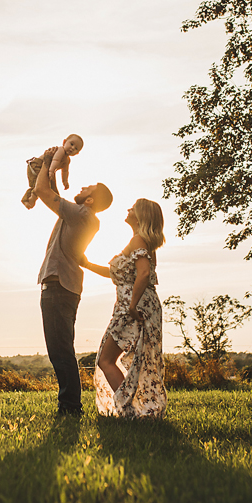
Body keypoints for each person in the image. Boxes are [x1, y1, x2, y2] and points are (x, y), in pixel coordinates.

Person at [33, 146, 113, 415]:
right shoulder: (80, 215)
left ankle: (70, 407)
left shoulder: (80, 214)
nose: (83, 187)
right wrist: (50, 167)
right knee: (61, 349)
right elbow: (51, 193)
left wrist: (47, 162)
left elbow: (43, 193)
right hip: (63, 286)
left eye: (88, 188)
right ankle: (69, 405)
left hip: (59, 286)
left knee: (60, 351)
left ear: (89, 201)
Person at [81, 198, 167, 418]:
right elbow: (119, 274)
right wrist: (87, 264)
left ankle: (129, 412)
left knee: (105, 359)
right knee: (124, 358)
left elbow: (144, 274)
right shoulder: (140, 242)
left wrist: (131, 306)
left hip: (133, 306)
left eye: (133, 207)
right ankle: (132, 410)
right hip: (138, 304)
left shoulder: (139, 240)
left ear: (141, 215)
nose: (128, 209)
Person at [22, 134, 84, 209]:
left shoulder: (67, 160)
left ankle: (56, 205)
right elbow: (55, 160)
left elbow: (65, 171)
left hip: (48, 170)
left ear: (77, 153)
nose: (72, 148)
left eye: (76, 148)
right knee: (39, 184)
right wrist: (51, 172)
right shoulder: (60, 150)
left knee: (52, 190)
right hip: (37, 165)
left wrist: (65, 181)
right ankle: (29, 199)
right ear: (64, 142)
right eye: (71, 144)